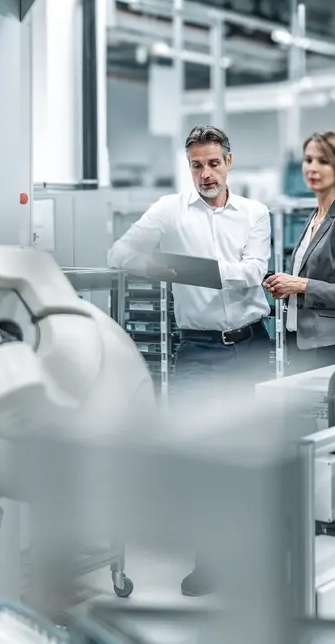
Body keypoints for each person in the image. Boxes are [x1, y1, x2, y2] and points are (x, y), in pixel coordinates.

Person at [107, 124, 273, 597]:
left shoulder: (255, 214)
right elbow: (118, 252)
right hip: (198, 350)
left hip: (250, 345)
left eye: (213, 163)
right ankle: (210, 562)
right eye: (197, 165)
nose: (206, 174)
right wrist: (153, 265)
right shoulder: (169, 211)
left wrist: (185, 269)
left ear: (229, 161)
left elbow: (252, 275)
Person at [264, 131, 335, 375]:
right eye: (308, 160)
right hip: (302, 344)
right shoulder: (315, 217)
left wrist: (302, 285)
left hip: (332, 348)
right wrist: (286, 287)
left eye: (323, 161)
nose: (312, 167)